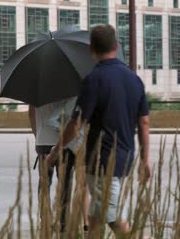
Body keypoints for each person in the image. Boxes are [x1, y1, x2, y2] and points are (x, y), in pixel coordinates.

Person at [46, 24, 151, 237]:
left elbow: (77, 124)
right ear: (117, 45)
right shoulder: (135, 79)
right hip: (125, 156)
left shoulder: (93, 80)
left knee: (110, 217)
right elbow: (144, 123)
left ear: (91, 50)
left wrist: (56, 151)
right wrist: (144, 159)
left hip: (102, 159)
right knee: (95, 219)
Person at [28, 98, 88, 232]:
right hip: (62, 143)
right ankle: (63, 222)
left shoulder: (37, 90)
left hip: (43, 142)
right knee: (65, 183)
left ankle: (45, 219)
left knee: (44, 183)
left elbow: (31, 114)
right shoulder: (66, 91)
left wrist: (37, 135)